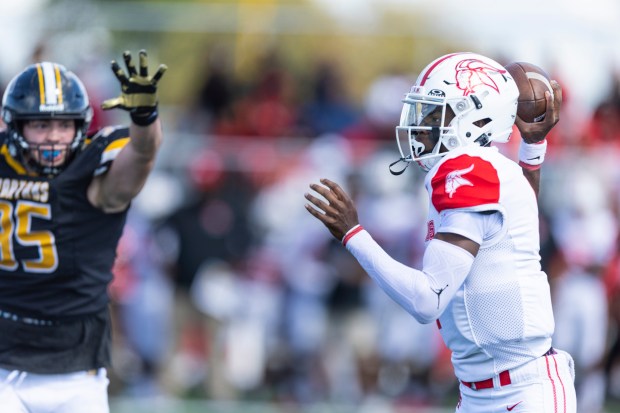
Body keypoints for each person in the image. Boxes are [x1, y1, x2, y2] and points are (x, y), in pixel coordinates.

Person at [304, 52, 577, 412]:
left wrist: (353, 234)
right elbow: (518, 213)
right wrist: (533, 147)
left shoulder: (470, 171)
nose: (421, 124)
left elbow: (426, 300)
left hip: (522, 392)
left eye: (436, 111)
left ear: (475, 116)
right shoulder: (492, 170)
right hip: (482, 390)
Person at [0, 49, 167, 413]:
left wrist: (144, 117)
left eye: (64, 125)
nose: (53, 138)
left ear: (80, 126)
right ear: (15, 125)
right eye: (40, 125)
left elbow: (142, 156)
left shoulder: (94, 176)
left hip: (76, 367)